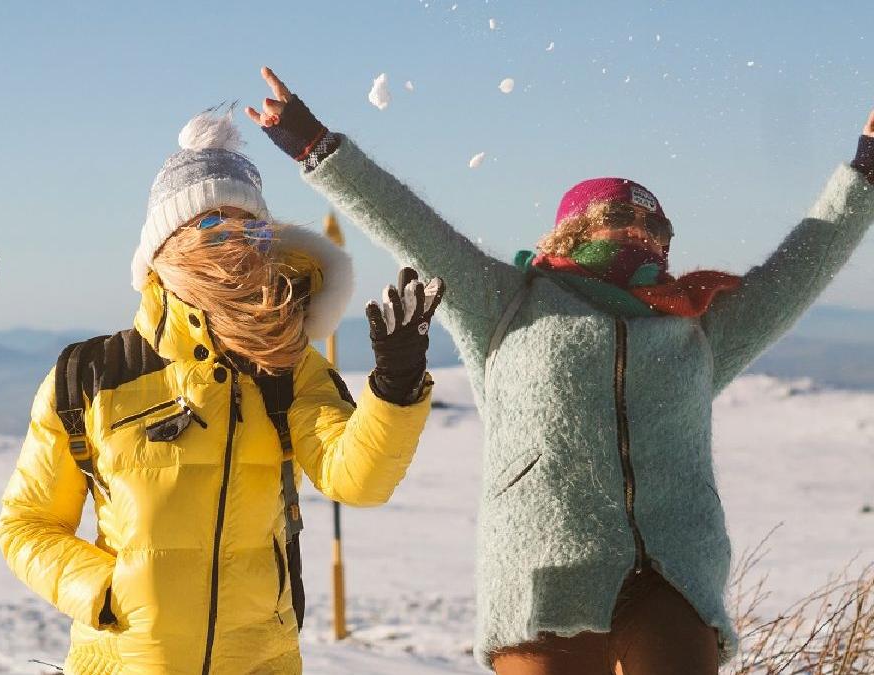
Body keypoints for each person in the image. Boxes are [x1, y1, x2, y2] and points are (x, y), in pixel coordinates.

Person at [247, 67, 874, 674]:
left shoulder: (694, 327)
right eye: (620, 220)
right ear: (571, 232)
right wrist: (314, 144)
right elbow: (411, 227)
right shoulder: (503, 301)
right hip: (544, 567)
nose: (642, 235)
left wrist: (866, 171)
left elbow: (800, 270)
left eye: (656, 226)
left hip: (675, 567)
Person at [0, 110, 445, 674]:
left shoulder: (288, 366)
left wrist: (396, 385)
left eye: (250, 227)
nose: (234, 242)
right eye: (212, 223)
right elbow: (27, 524)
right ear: (166, 242)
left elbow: (356, 479)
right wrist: (106, 591)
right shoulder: (90, 374)